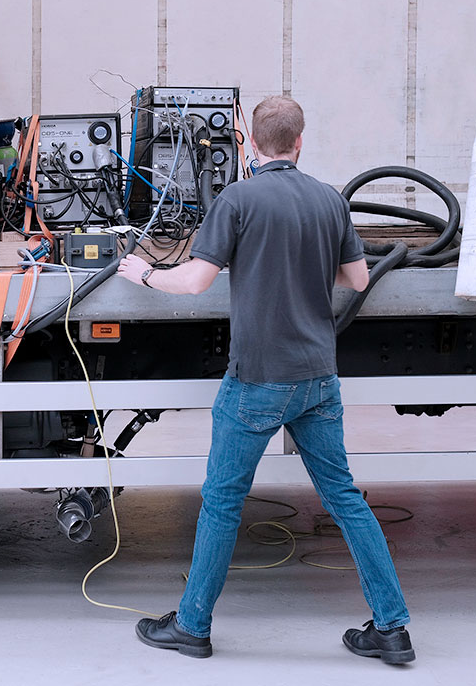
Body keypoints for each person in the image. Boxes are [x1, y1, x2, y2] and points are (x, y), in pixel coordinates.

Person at [115, 95, 414, 664]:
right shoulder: (329, 200)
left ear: (250, 146)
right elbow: (355, 278)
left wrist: (146, 273)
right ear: (301, 142)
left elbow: (196, 282)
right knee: (346, 499)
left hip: (257, 381)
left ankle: (192, 626)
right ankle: (392, 628)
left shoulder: (238, 198)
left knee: (223, 503)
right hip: (318, 379)